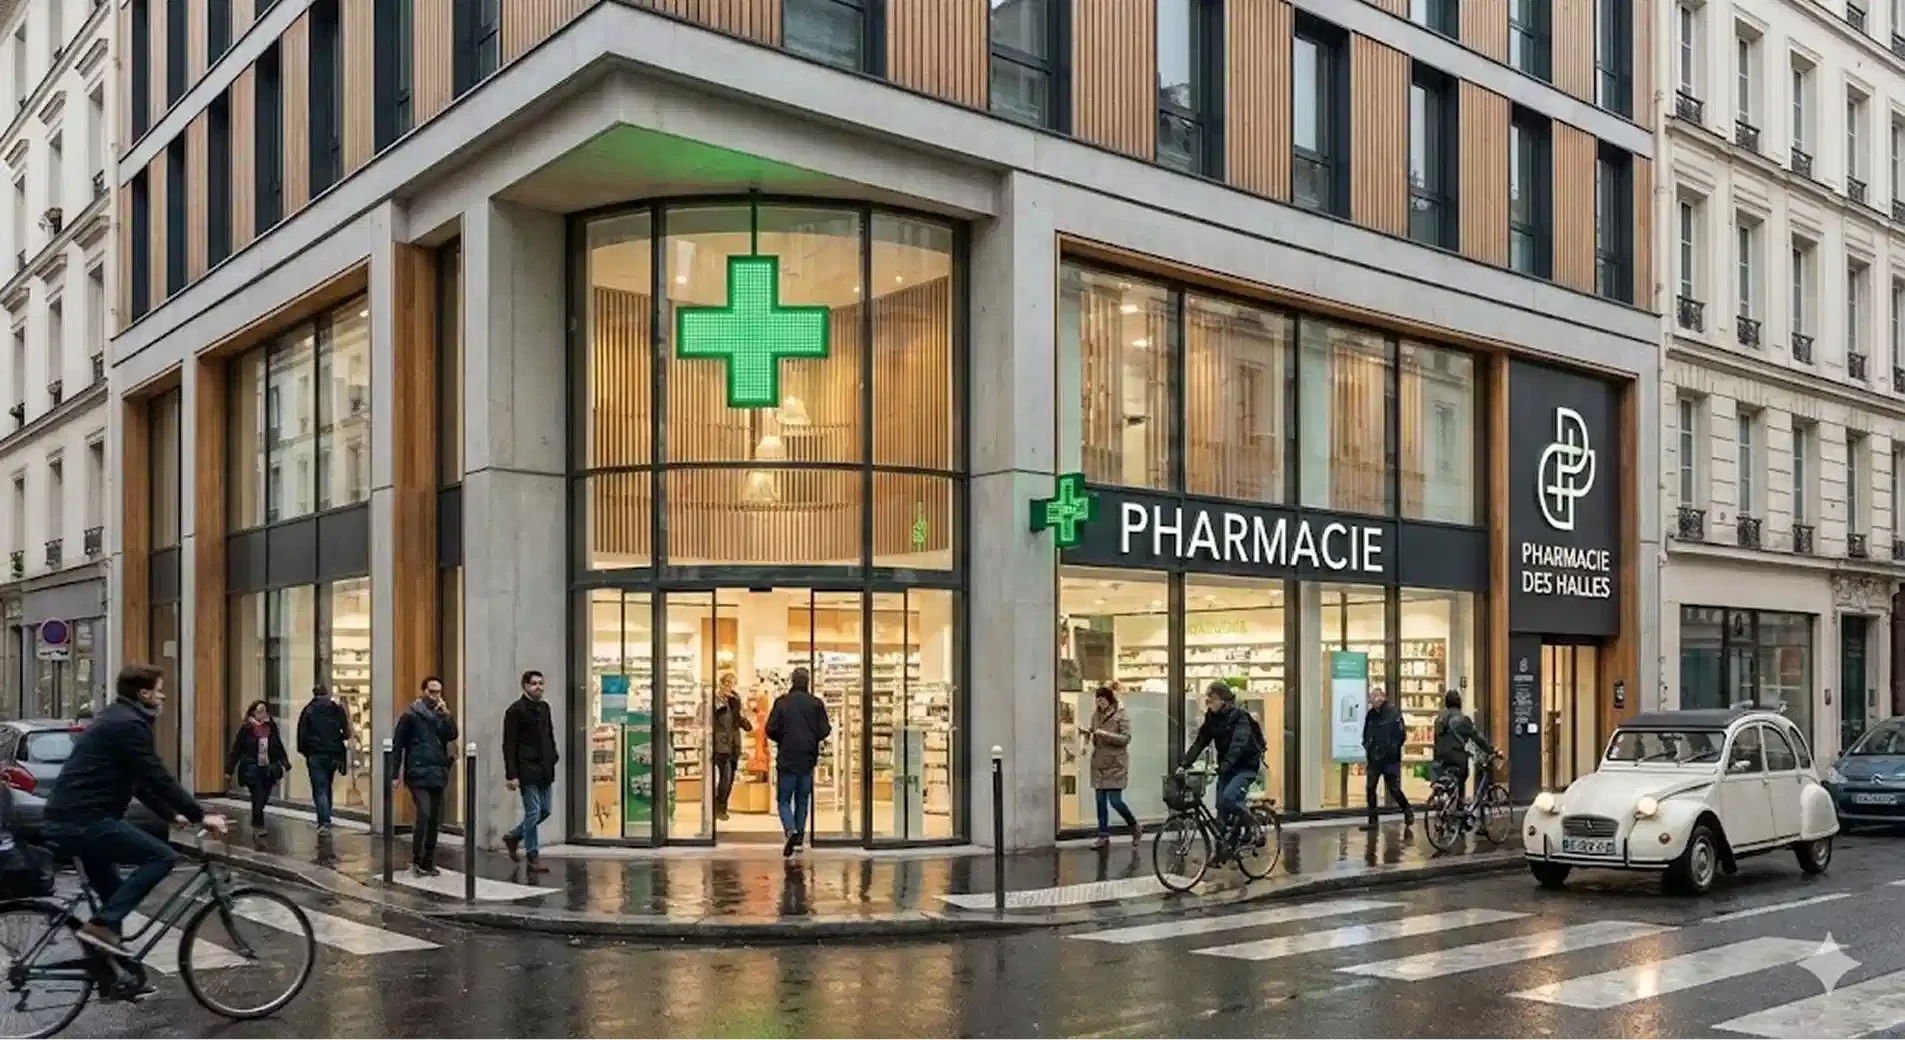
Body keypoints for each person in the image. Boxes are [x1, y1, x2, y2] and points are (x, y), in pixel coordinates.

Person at [42, 664, 228, 960]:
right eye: (159, 690)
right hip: (85, 820)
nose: (163, 696)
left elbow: (139, 782)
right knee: (163, 856)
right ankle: (99, 929)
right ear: (144, 693)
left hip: (75, 818)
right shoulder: (128, 724)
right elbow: (155, 774)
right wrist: (198, 814)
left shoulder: (119, 718)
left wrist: (170, 815)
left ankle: (111, 973)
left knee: (114, 896)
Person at [1179, 681, 1265, 841]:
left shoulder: (1240, 716)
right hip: (1226, 767)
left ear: (1223, 700)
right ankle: (1221, 853)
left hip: (1245, 766)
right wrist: (1184, 764)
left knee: (1230, 798)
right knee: (1221, 808)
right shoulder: (1212, 718)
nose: (1208, 703)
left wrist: (1226, 763)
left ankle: (1254, 826)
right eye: (1207, 700)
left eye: (1211, 699)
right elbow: (1200, 742)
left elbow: (1238, 744)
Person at [392, 676, 458, 876]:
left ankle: (428, 861)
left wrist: (446, 715)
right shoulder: (410, 715)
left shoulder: (440, 715)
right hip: (417, 772)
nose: (435, 696)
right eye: (431, 691)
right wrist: (394, 774)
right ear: (423, 691)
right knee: (424, 814)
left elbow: (452, 734)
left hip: (437, 772)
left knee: (435, 819)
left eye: (438, 692)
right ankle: (417, 858)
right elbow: (398, 745)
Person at [765, 666, 830, 859]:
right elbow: (825, 729)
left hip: (787, 756)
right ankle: (800, 838)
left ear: (792, 681)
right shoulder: (816, 704)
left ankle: (790, 829)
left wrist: (783, 738)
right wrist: (812, 738)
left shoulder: (782, 702)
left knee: (783, 799)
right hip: (808, 757)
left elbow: (771, 728)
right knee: (802, 799)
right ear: (808, 682)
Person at [502, 670, 558, 873]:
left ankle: (514, 836)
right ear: (524, 686)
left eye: (541, 683)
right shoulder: (515, 711)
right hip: (526, 769)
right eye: (534, 683)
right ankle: (533, 856)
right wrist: (512, 774)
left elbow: (549, 734)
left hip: (545, 767)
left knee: (545, 810)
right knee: (533, 812)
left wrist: (553, 756)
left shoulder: (544, 708)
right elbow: (509, 744)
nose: (539, 687)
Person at [1080, 685, 1140, 849]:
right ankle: (1103, 836)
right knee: (1100, 802)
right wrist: (1088, 733)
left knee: (1115, 801)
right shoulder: (1096, 715)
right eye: (1097, 700)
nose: (1099, 703)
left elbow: (1126, 738)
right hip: (1099, 763)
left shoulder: (1121, 715)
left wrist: (1104, 734)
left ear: (1109, 699)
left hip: (1115, 764)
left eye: (1102, 700)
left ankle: (1134, 826)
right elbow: (1095, 732)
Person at [226, 701, 290, 832]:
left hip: (267, 768)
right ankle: (258, 824)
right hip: (251, 767)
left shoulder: (270, 727)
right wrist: (229, 769)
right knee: (257, 794)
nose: (262, 714)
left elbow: (277, 745)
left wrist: (285, 762)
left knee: (264, 796)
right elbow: (236, 749)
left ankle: (257, 817)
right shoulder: (247, 729)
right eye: (259, 711)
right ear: (253, 713)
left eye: (264, 711)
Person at [295, 685, 351, 833]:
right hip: (333, 754)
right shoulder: (336, 710)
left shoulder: (308, 710)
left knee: (320, 789)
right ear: (326, 694)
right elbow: (346, 732)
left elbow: (301, 735)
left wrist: (306, 752)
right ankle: (326, 817)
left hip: (315, 755)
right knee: (327, 786)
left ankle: (324, 821)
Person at [1360, 686, 1413, 831]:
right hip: (1374, 758)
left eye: (1375, 698)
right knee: (1370, 788)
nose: (1372, 702)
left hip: (1389, 759)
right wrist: (1367, 746)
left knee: (1394, 789)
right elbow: (1366, 732)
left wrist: (1392, 749)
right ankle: (1372, 821)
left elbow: (1401, 736)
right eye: (1371, 699)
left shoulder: (1393, 714)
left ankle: (1407, 810)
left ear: (1381, 698)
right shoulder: (1371, 715)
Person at [1433, 689, 1497, 810]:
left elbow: (1436, 740)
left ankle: (1447, 807)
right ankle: (1459, 808)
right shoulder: (1462, 719)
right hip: (1456, 756)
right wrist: (1490, 750)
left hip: (1441, 757)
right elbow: (1476, 737)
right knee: (1462, 775)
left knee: (1448, 781)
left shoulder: (1439, 719)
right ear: (1459, 703)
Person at [709, 673, 752, 822]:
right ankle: (719, 807)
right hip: (721, 744)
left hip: (734, 743)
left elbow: (739, 719)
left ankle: (721, 806)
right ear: (721, 683)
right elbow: (714, 719)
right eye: (727, 683)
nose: (729, 686)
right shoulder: (715, 700)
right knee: (725, 777)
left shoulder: (736, 699)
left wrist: (742, 716)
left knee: (731, 777)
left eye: (732, 683)